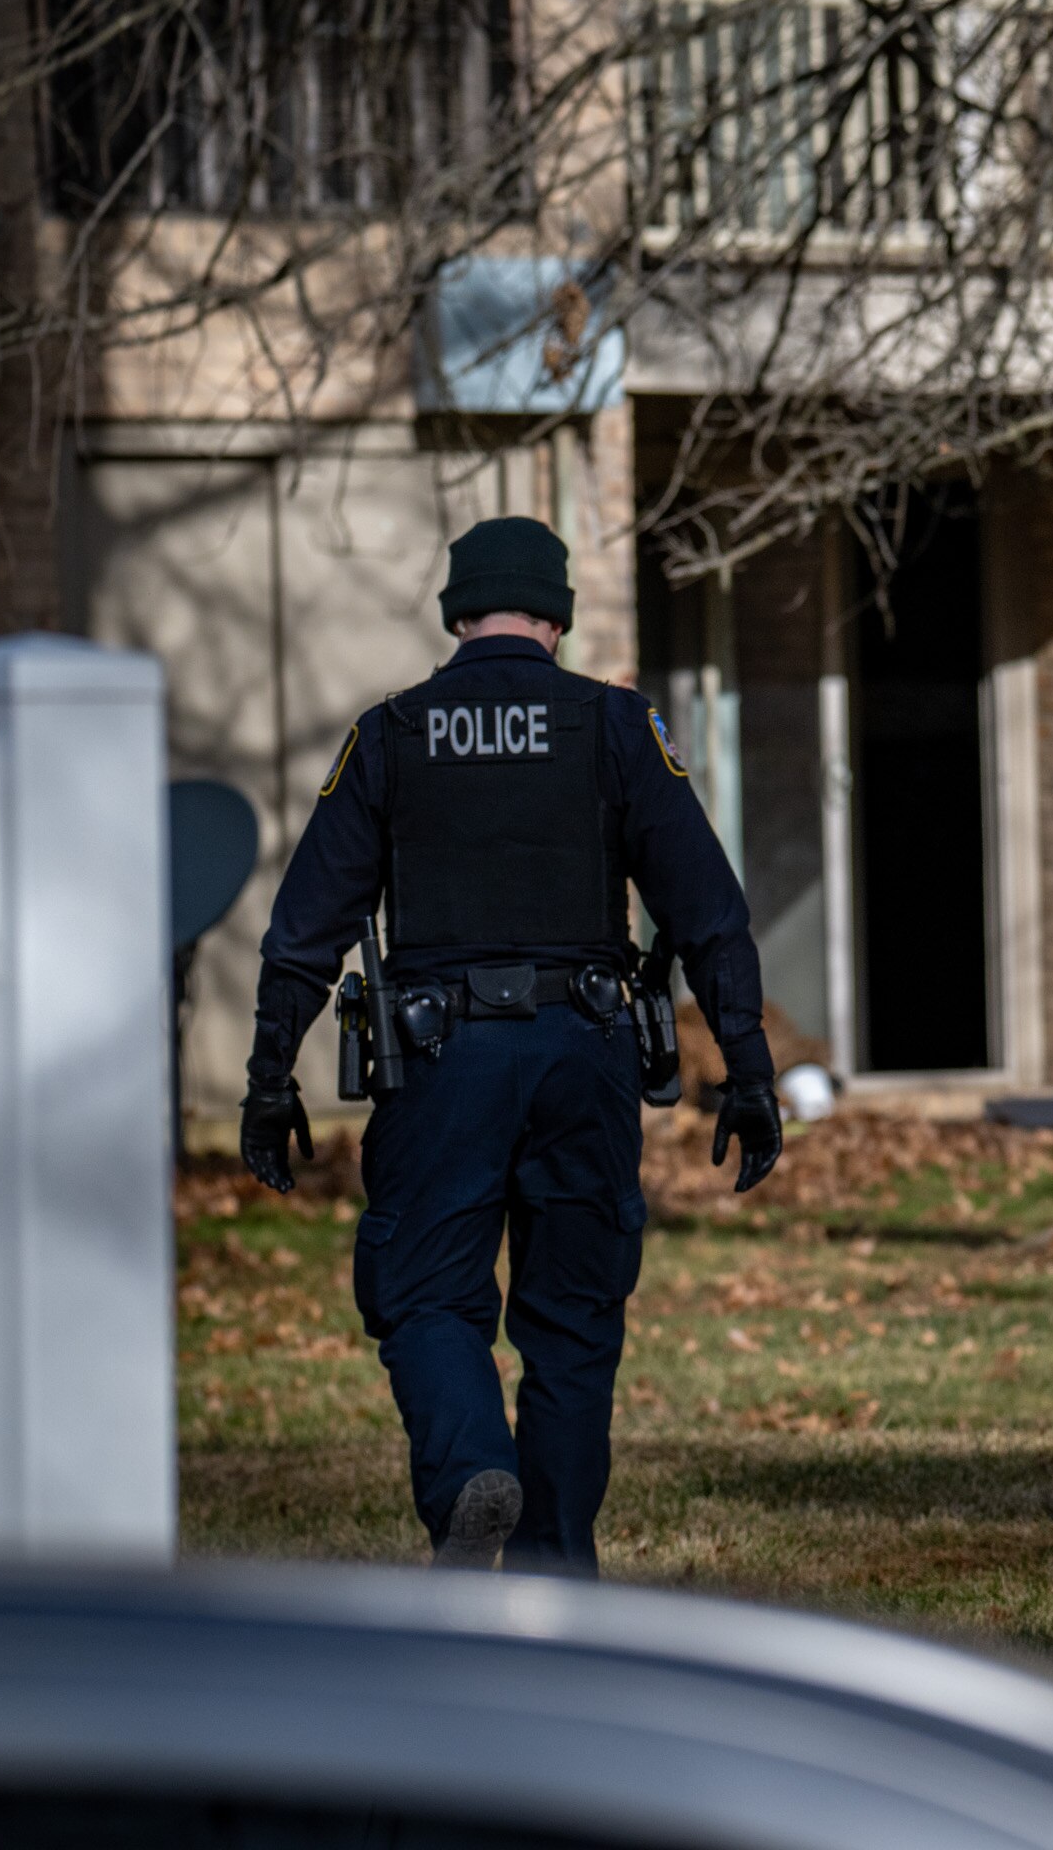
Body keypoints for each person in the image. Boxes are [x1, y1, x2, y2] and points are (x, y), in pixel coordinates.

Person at [237, 516, 781, 1575]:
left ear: (457, 611)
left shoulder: (392, 732)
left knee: (426, 1292)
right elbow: (710, 911)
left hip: (441, 1059)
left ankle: (473, 1468)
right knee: (573, 1319)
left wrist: (268, 1074)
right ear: (557, 616)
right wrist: (749, 1071)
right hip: (586, 1049)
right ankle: (555, 1567)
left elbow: (303, 928)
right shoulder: (619, 727)